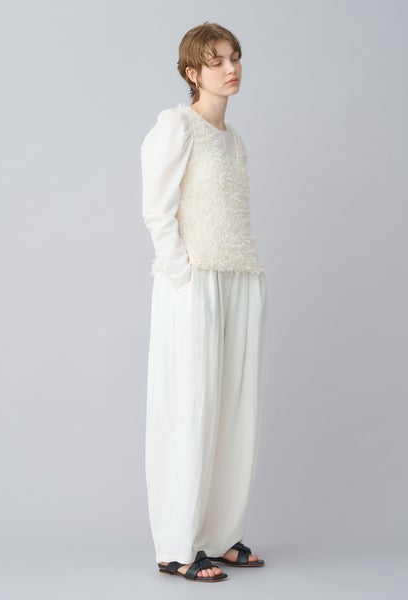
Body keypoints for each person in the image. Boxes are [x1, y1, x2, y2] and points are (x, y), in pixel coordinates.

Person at [140, 22, 268, 583]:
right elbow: (157, 210)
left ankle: (218, 535)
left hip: (241, 276)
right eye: (216, 61)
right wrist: (182, 277)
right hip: (195, 281)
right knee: (190, 407)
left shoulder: (233, 139)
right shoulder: (177, 126)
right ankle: (176, 545)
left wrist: (243, 276)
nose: (230, 68)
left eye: (234, 57)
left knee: (236, 410)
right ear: (192, 72)